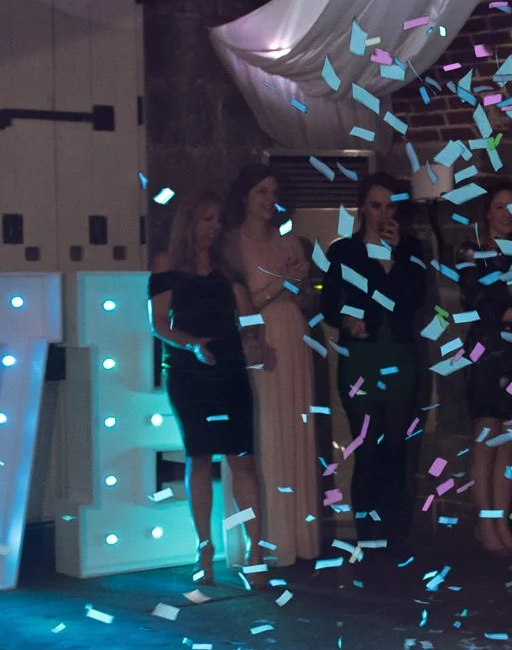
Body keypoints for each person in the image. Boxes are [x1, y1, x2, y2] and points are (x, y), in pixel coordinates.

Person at [147, 194, 260, 585]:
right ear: (190, 222)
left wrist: (254, 339)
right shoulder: (167, 264)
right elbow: (158, 323)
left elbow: (249, 316)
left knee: (242, 459)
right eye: (207, 219)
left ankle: (255, 551)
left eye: (218, 221)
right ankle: (204, 548)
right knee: (198, 458)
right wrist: (192, 345)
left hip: (229, 368)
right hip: (188, 370)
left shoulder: (227, 268)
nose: (214, 227)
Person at [325, 172, 431, 556]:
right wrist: (347, 319)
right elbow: (328, 304)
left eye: (389, 206)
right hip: (362, 359)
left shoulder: (411, 249)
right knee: (367, 448)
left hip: (399, 356)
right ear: (363, 208)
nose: (382, 213)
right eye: (375, 205)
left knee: (397, 449)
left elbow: (415, 300)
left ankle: (395, 534)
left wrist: (395, 257)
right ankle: (368, 535)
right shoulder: (344, 251)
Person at [222, 164, 322, 568]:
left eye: (273, 192)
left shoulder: (291, 242)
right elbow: (242, 304)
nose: (269, 200)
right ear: (245, 195)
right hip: (257, 342)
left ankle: (297, 535)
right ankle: (262, 540)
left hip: (294, 339)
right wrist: (281, 282)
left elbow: (309, 303)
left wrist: (302, 286)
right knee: (263, 433)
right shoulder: (231, 243)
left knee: (294, 430)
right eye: (261, 191)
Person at [465, 177, 512, 552]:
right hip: (486, 353)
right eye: (499, 207)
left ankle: (502, 525)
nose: (507, 214)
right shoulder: (471, 252)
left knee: (509, 443)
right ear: (487, 214)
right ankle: (486, 524)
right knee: (487, 438)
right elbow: (481, 306)